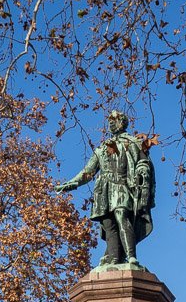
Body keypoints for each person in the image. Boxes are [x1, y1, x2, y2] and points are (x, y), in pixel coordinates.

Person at [57, 110, 155, 267]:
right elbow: (88, 172)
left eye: (114, 120)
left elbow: (143, 163)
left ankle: (131, 257)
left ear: (122, 123)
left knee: (122, 215)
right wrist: (70, 184)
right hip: (104, 190)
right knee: (108, 224)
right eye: (109, 121)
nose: (110, 123)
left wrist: (143, 176)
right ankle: (114, 257)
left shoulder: (133, 143)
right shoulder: (102, 148)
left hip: (122, 186)